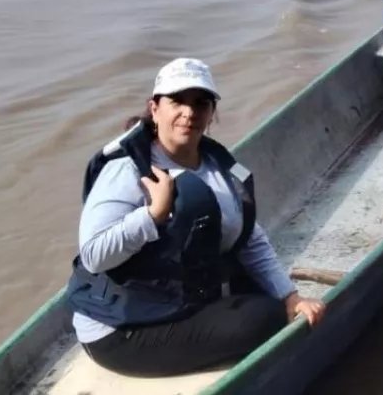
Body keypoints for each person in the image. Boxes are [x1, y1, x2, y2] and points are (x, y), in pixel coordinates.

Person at [64, 58, 326, 378]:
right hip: (121, 330)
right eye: (177, 101)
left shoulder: (218, 166)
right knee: (264, 317)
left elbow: (249, 238)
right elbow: (92, 256)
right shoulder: (127, 169)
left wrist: (290, 296)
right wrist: (152, 215)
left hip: (173, 302)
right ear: (155, 107)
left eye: (200, 103)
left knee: (263, 293)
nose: (189, 113)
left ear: (211, 112)